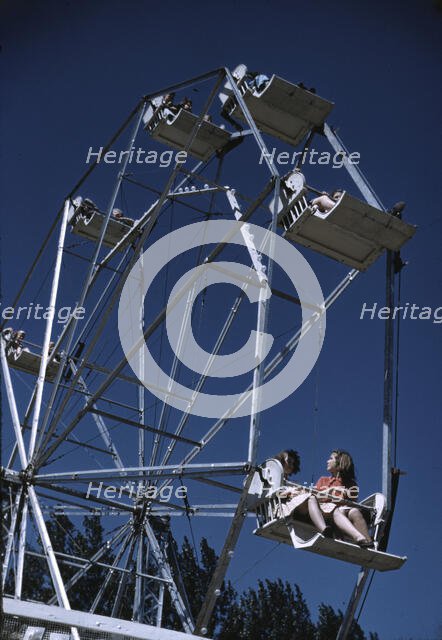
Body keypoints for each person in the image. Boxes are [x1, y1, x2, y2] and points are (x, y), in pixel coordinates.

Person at [314, 450, 373, 547]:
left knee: (354, 511)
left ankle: (368, 542)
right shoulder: (323, 480)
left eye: (331, 459)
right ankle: (340, 539)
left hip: (344, 515)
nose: (327, 461)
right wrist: (332, 491)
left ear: (339, 463)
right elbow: (314, 498)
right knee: (339, 510)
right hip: (325, 514)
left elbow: (352, 504)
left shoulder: (351, 485)